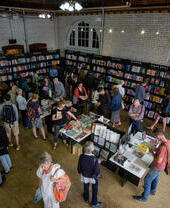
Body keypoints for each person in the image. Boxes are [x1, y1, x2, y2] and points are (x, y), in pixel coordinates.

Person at [133, 128, 170, 202]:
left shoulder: (163, 147)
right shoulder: (168, 141)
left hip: (157, 166)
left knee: (147, 180)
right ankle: (153, 190)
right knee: (156, 177)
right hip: (162, 167)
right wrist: (155, 150)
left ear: (159, 136)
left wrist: (152, 152)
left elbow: (159, 160)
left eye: (155, 136)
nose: (155, 138)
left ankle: (144, 198)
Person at [78, 141, 103, 207]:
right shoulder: (94, 159)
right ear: (92, 149)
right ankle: (94, 202)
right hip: (92, 177)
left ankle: (86, 198)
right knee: (95, 189)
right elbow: (96, 170)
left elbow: (79, 166)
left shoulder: (81, 156)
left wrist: (80, 171)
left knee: (86, 186)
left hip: (84, 176)